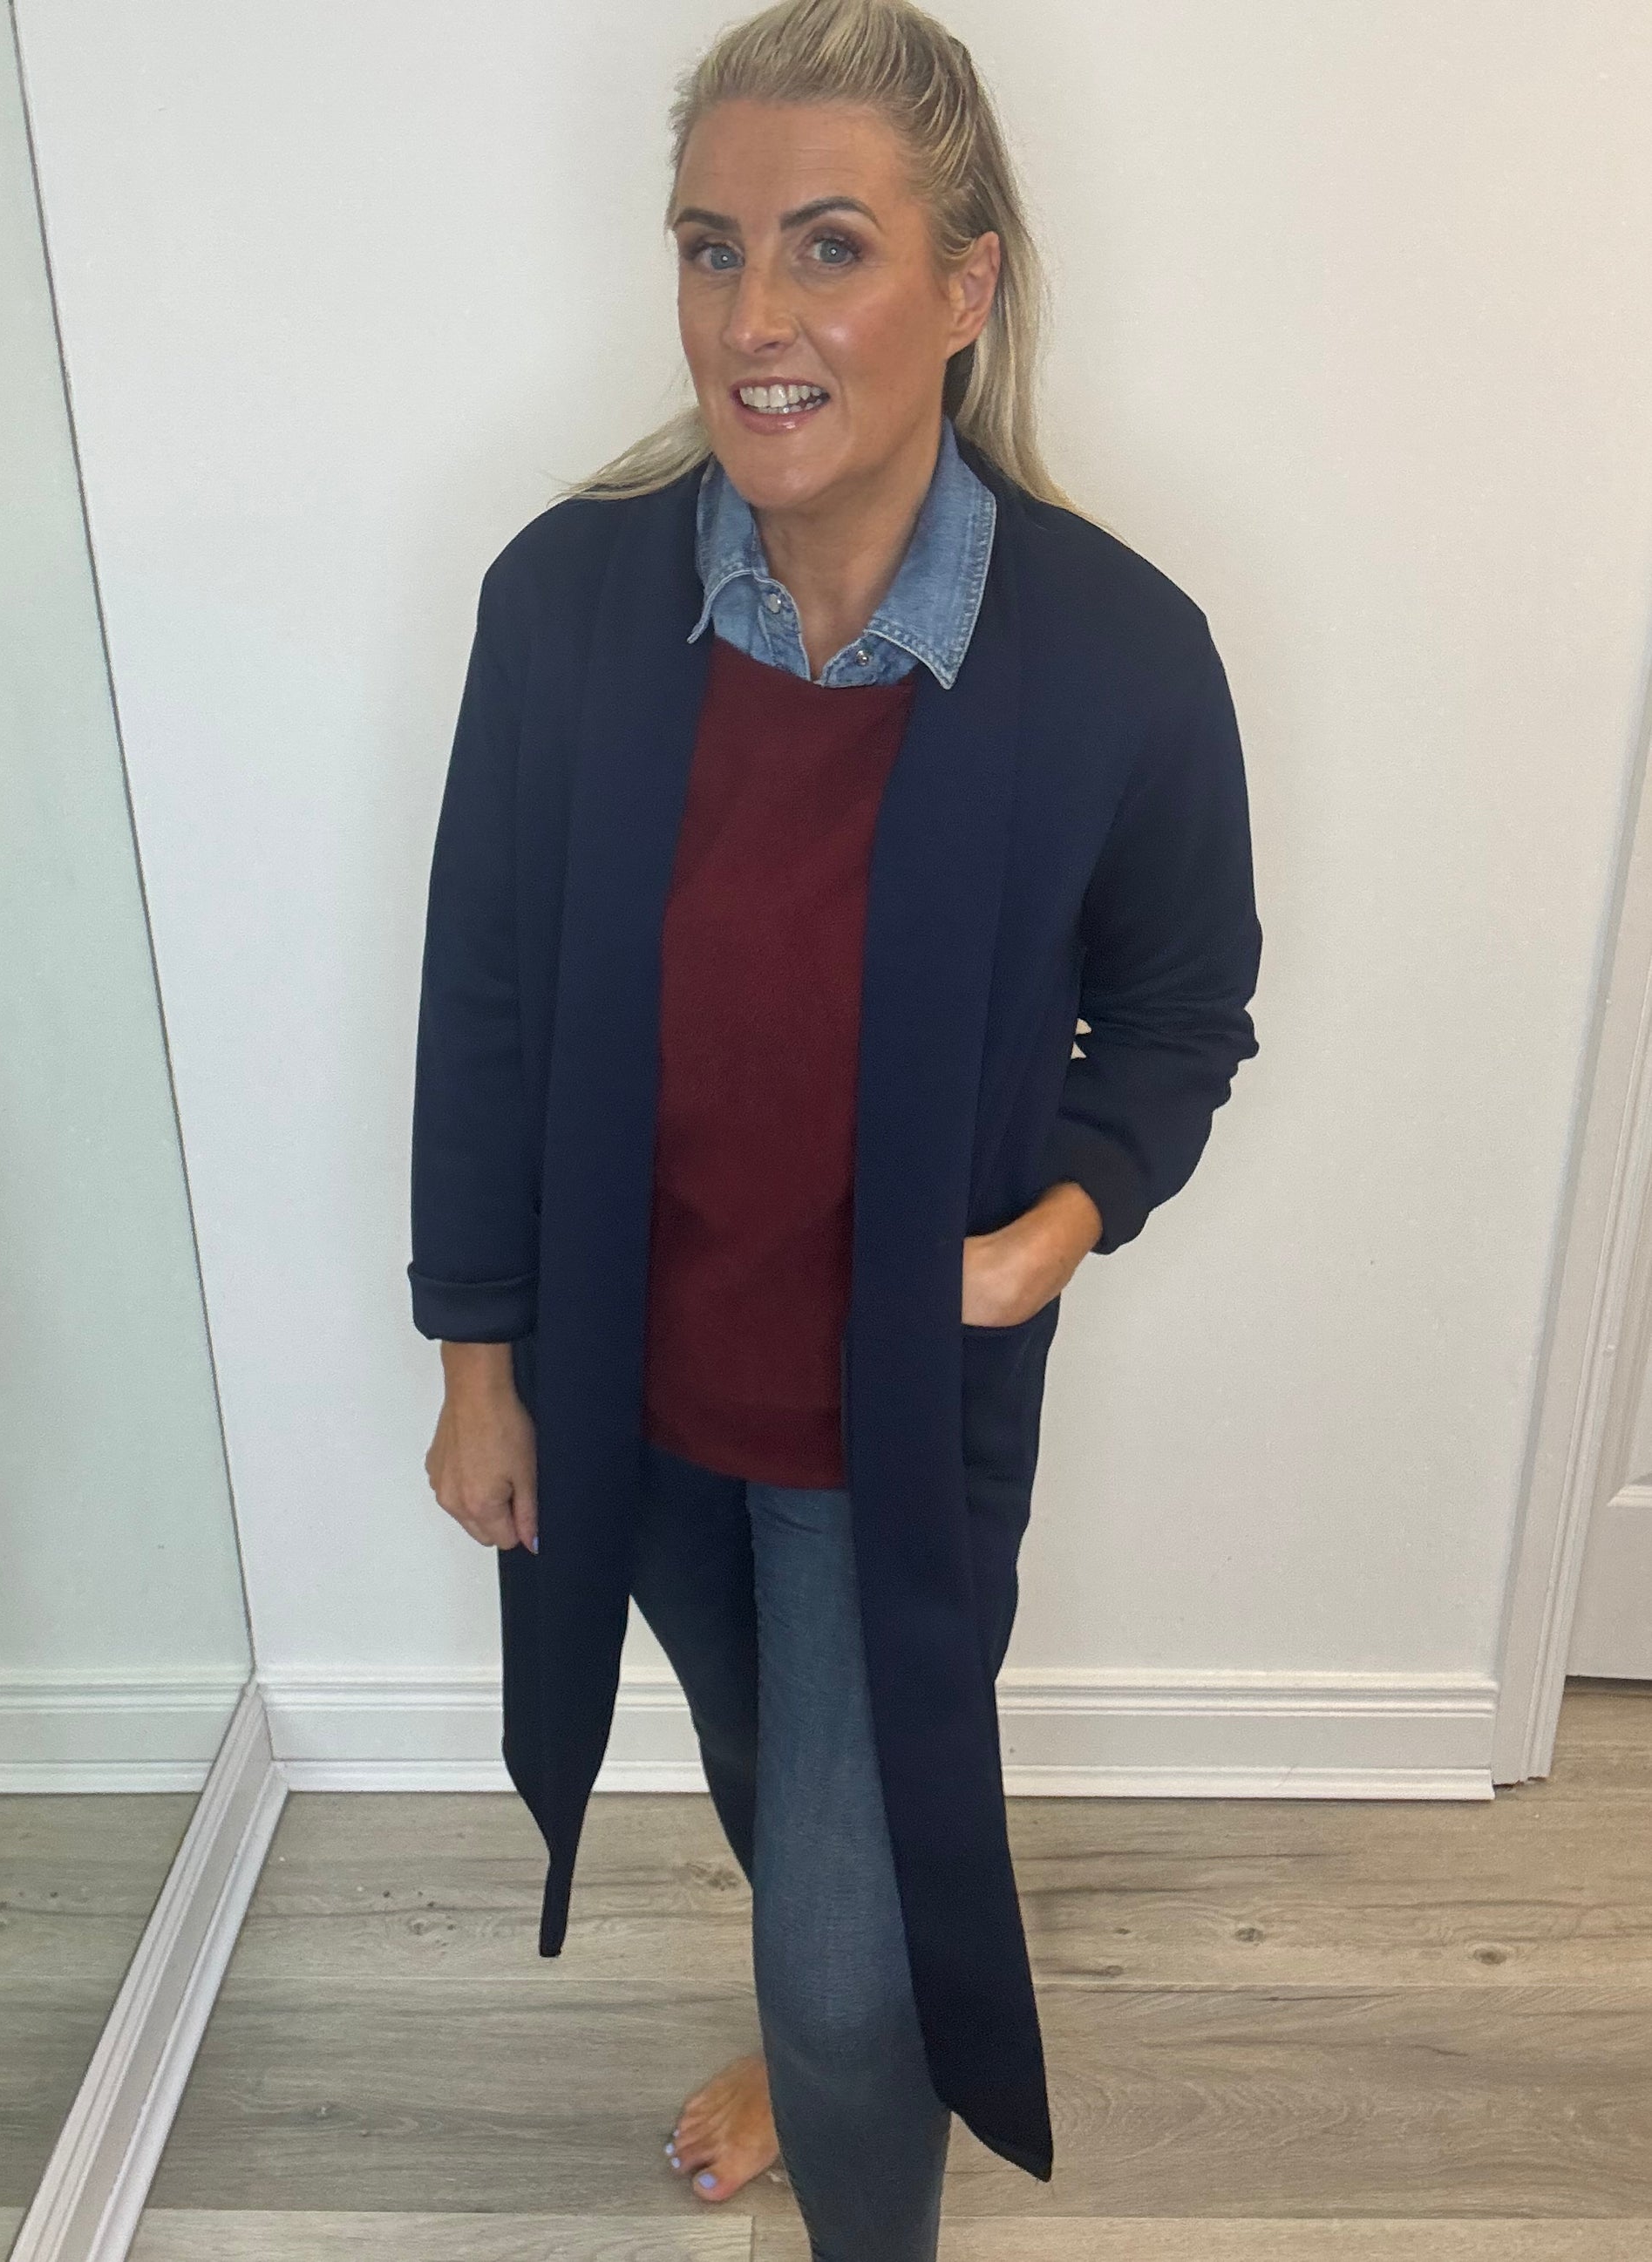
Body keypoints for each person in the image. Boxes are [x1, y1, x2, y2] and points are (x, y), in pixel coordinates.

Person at [410, 2, 1262, 2256]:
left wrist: (1058, 1223)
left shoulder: (1114, 655)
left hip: (887, 1420)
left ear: (965, 284)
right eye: (711, 248)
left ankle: (836, 2089)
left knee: (860, 1966)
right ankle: (804, 2043)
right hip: (632, 1399)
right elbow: (485, 1002)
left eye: (827, 247)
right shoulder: (564, 606)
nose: (752, 319)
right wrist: (480, 1362)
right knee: (768, 1770)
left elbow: (1182, 1010)